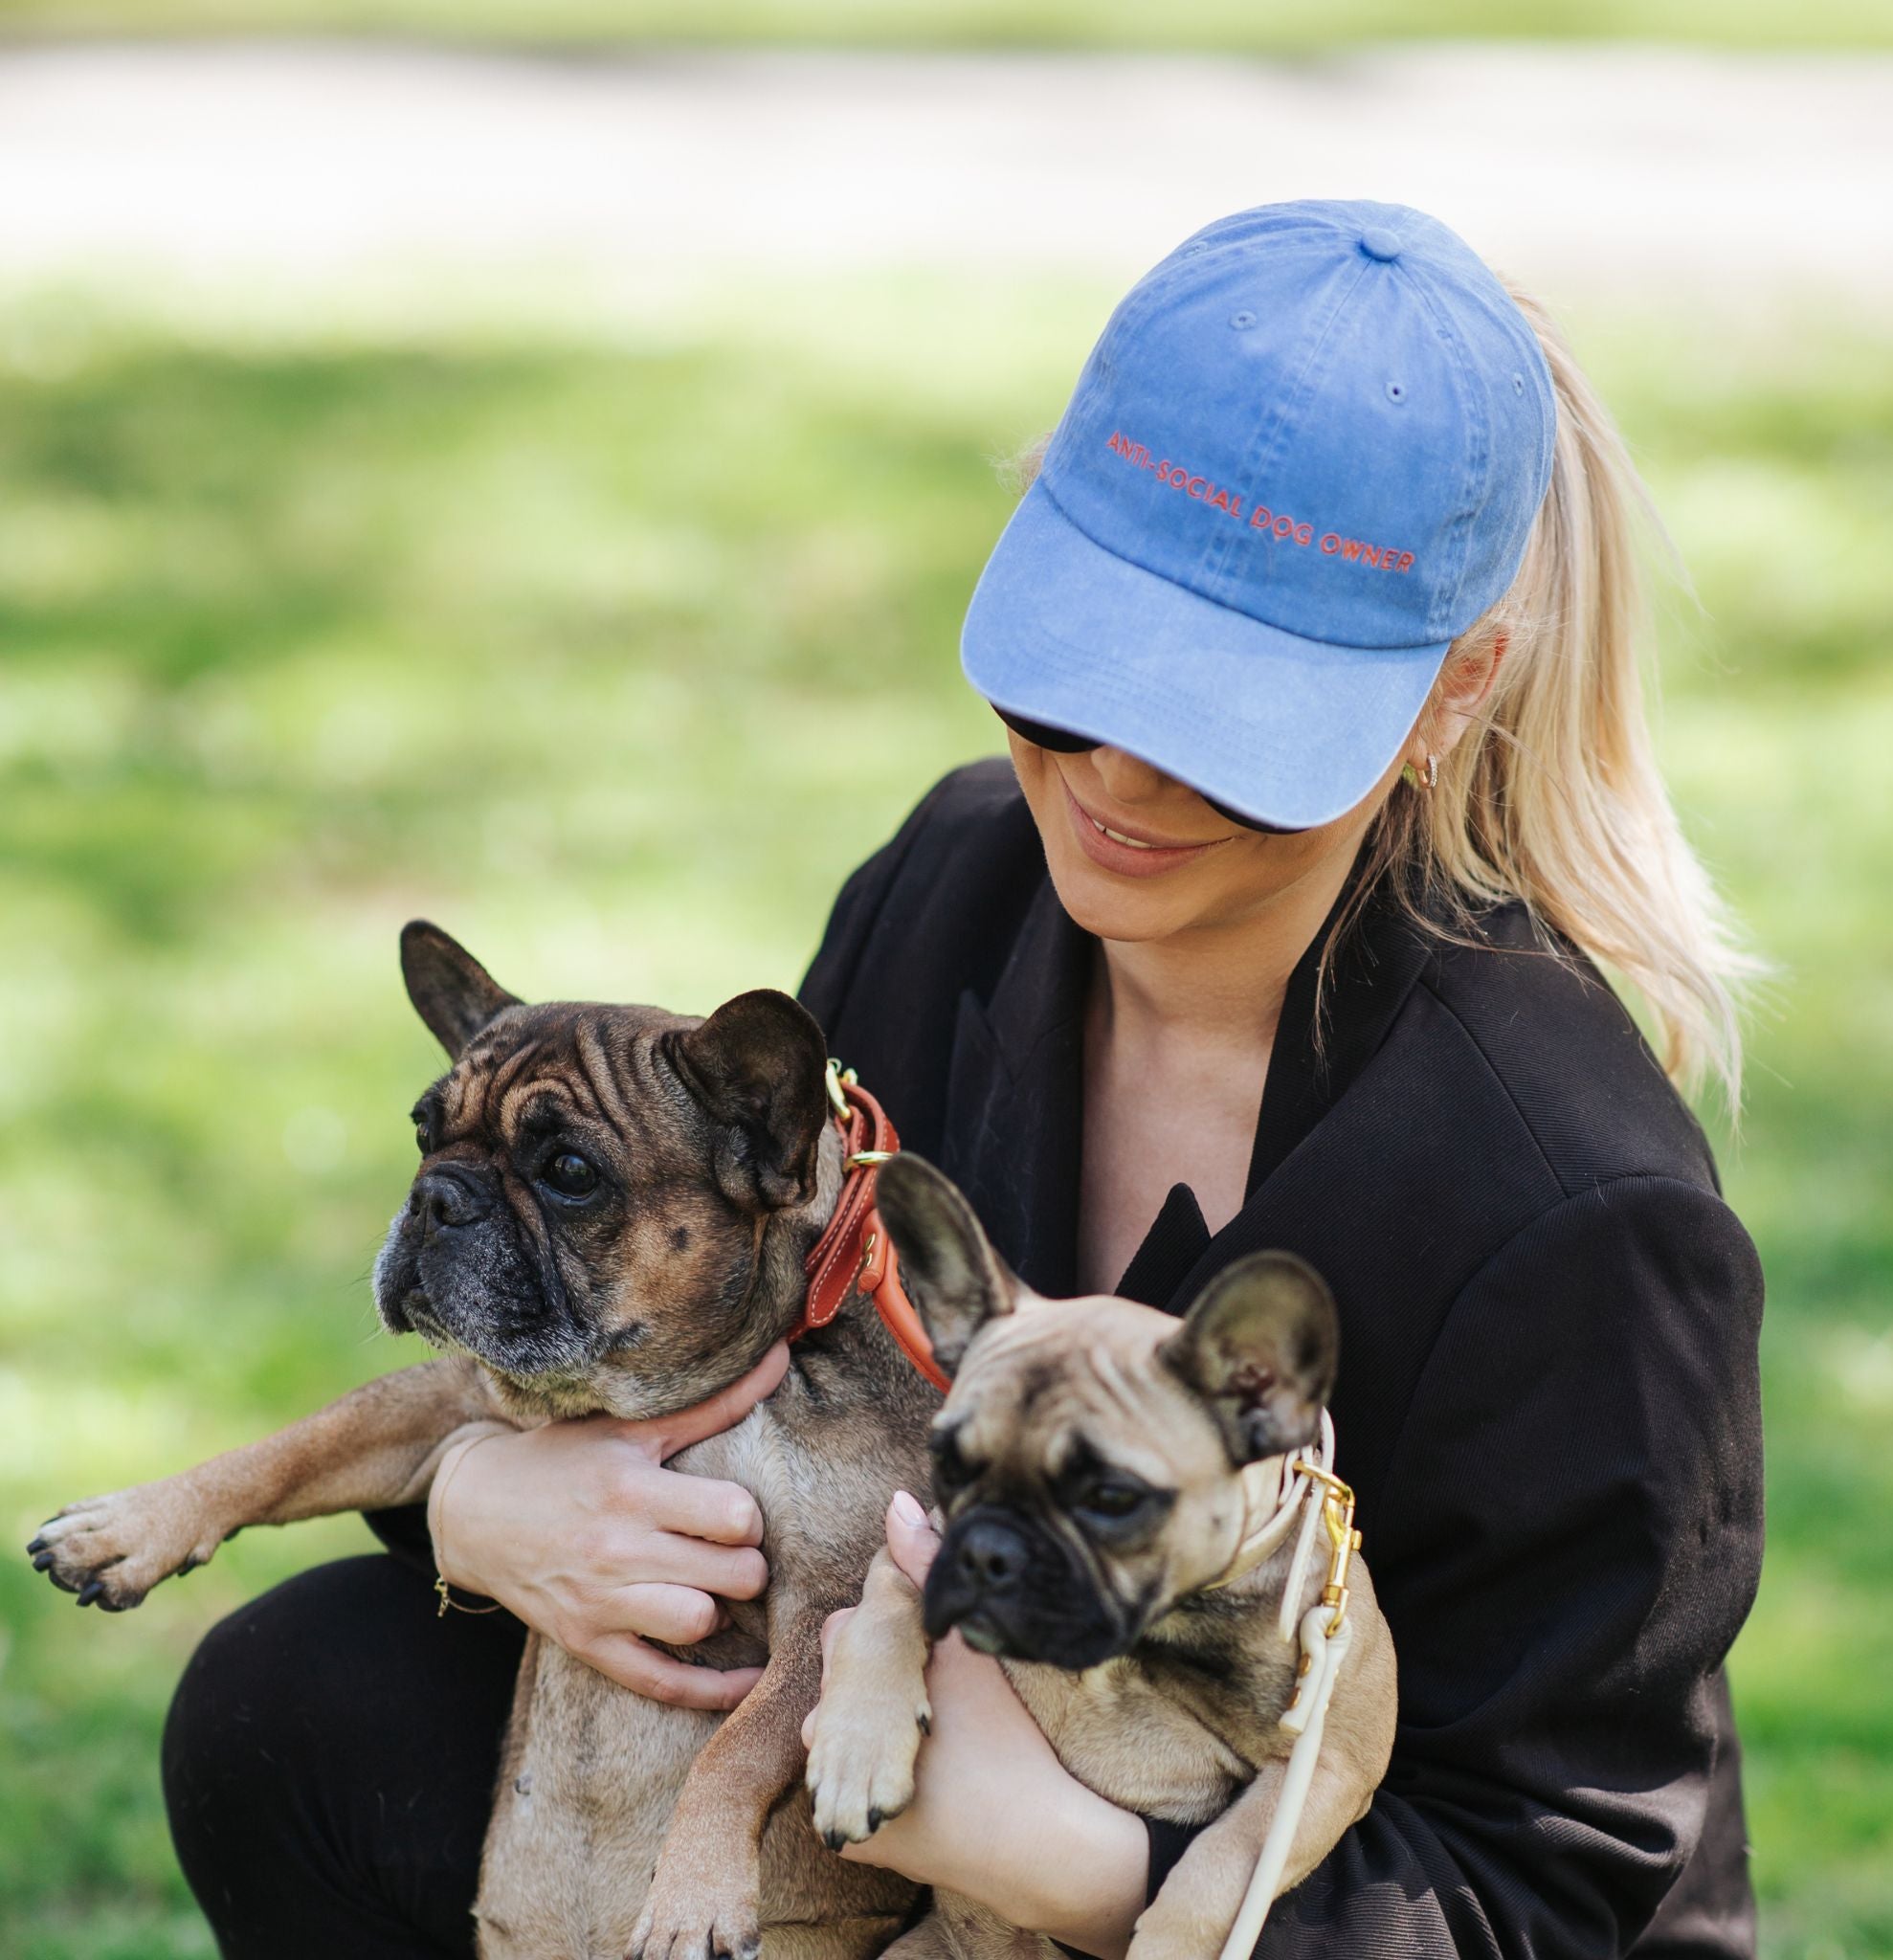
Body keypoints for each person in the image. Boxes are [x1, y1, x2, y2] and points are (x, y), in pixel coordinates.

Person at [163, 200, 1764, 1960]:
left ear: (1455, 690)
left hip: (1217, 1913)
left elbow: (1549, 1883)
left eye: (1226, 731)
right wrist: (488, 1501)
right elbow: (706, 1339)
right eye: (1073, 685)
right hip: (861, 1811)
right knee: (304, 1706)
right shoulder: (955, 886)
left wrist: (1046, 1851)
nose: (1116, 784)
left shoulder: (1578, 1205)